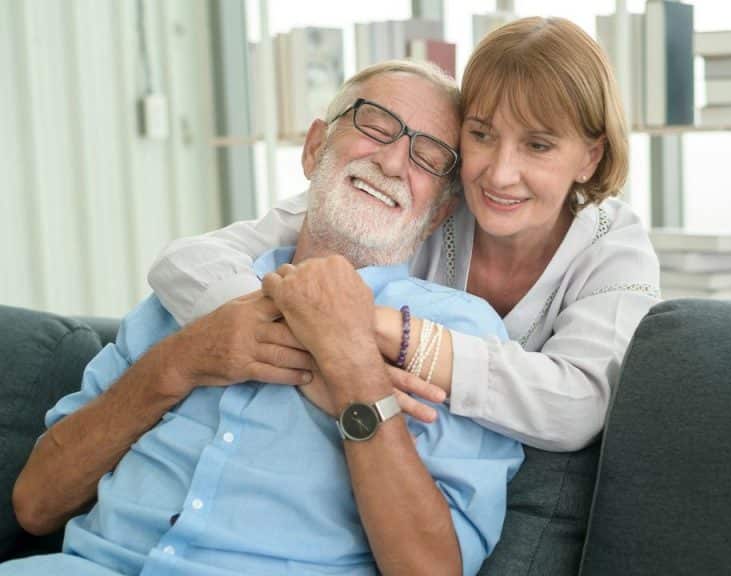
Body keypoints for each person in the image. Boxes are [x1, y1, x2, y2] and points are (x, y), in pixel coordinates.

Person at [6, 60, 522, 576]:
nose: (392, 162)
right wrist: (181, 361)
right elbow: (35, 504)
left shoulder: (457, 338)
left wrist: (353, 370)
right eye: (375, 127)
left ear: (437, 212)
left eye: (428, 158)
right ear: (315, 147)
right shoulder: (196, 292)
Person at [148, 17, 660, 452]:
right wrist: (325, 353)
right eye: (481, 134)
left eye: (538, 146)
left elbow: (576, 408)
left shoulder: (613, 248)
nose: (501, 173)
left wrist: (373, 331)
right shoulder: (423, 200)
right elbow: (187, 263)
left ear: (590, 156)